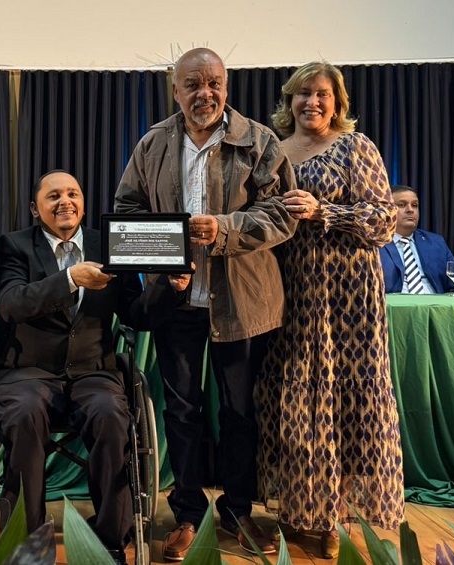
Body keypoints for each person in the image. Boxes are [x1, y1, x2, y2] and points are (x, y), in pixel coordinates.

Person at [114, 47, 296, 558]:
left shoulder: (258, 141)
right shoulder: (152, 143)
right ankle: (188, 515)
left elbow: (282, 214)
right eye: (193, 84)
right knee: (182, 411)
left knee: (240, 411)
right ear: (176, 90)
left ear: (226, 86)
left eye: (213, 83)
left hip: (244, 302)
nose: (205, 93)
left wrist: (225, 229)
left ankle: (238, 513)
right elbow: (127, 209)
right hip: (177, 304)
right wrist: (164, 258)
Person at [254, 61, 404, 559]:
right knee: (296, 402)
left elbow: (383, 222)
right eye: (302, 93)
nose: (311, 102)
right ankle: (298, 511)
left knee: (345, 403)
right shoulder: (273, 152)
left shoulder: (356, 147)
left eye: (322, 93)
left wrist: (324, 211)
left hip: (349, 300)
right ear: (289, 100)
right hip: (291, 294)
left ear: (337, 101)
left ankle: (334, 517)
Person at [0, 170, 171, 564]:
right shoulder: (15, 245)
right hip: (28, 372)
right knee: (24, 413)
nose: (65, 202)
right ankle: (27, 541)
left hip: (93, 371)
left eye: (73, 194)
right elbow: (11, 303)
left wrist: (168, 287)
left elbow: (136, 314)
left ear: (84, 204)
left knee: (111, 415)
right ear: (36, 209)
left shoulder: (107, 244)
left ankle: (108, 540)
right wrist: (71, 278)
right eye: (54, 196)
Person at [380, 185, 454, 294]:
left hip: (435, 303)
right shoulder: (375, 243)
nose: (410, 210)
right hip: (395, 303)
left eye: (415, 205)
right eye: (402, 205)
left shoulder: (436, 242)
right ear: (386, 210)